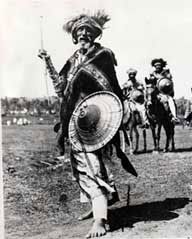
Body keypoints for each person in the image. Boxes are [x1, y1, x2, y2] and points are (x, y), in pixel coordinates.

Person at [38, 10, 136, 238]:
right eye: (79, 31)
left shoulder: (103, 55)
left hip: (99, 118)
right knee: (81, 165)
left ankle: (100, 219)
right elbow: (61, 89)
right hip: (76, 121)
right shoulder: (72, 60)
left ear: (95, 35)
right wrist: (48, 61)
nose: (83, 34)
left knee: (93, 165)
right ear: (74, 36)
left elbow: (112, 86)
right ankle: (97, 205)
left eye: (88, 31)